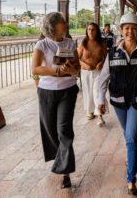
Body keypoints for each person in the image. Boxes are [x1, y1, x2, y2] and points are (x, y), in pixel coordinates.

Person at [97, 12, 137, 195]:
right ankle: (132, 157)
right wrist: (100, 100)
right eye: (126, 28)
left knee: (131, 137)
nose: (130, 31)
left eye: (133, 28)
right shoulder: (112, 52)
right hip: (118, 102)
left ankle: (131, 179)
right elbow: (103, 79)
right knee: (127, 134)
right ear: (121, 31)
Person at [32, 12, 81, 188]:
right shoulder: (42, 44)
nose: (65, 23)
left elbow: (78, 66)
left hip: (67, 91)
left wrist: (71, 68)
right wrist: (57, 71)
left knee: (64, 130)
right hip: (47, 91)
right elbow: (36, 68)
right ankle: (59, 158)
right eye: (62, 21)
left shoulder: (69, 42)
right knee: (50, 129)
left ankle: (65, 172)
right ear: (53, 25)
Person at [77, 22, 108, 126]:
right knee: (87, 92)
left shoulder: (101, 43)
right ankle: (89, 111)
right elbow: (76, 58)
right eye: (89, 29)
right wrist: (84, 65)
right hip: (85, 72)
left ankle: (100, 115)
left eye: (93, 29)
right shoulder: (83, 43)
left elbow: (106, 57)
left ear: (97, 31)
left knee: (97, 92)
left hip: (98, 72)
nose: (90, 31)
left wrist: (101, 63)